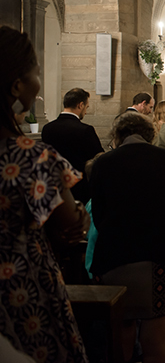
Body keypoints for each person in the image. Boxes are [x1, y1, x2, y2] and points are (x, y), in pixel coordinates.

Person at [0, 26, 90, 363]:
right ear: (16, 85)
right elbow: (71, 223)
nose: (38, 84)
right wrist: (78, 212)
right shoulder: (31, 156)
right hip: (22, 285)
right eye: (35, 71)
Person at [89, 112, 165, 363]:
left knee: (120, 333)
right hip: (159, 256)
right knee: (157, 338)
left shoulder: (102, 163)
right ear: (150, 134)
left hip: (113, 257)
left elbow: (97, 214)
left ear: (118, 136)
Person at [41, 87, 104, 204]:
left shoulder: (47, 128)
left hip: (54, 185)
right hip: (79, 187)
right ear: (80, 105)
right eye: (86, 107)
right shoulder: (85, 130)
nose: (86, 111)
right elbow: (98, 158)